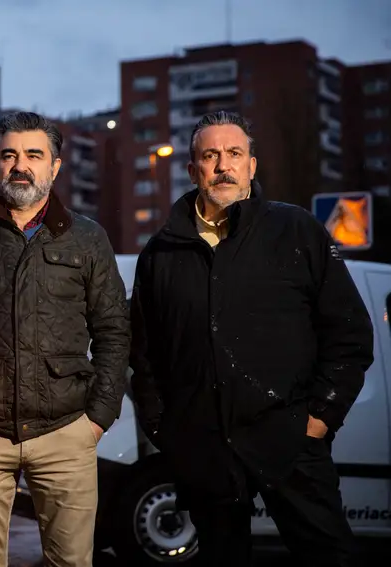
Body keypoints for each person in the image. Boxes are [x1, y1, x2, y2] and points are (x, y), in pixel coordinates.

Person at [129, 110, 374, 567]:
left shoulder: (296, 230)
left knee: (329, 556)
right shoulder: (161, 252)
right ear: (193, 170)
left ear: (252, 166)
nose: (224, 166)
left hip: (291, 438)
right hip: (204, 449)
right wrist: (165, 430)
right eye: (211, 156)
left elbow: (349, 332)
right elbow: (144, 354)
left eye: (235, 154)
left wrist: (321, 417)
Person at [0, 111, 130, 567]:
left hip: (66, 429)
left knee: (71, 561)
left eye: (34, 155)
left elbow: (113, 330)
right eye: (9, 155)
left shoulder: (88, 239)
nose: (20, 165)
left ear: (55, 166)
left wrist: (98, 417)